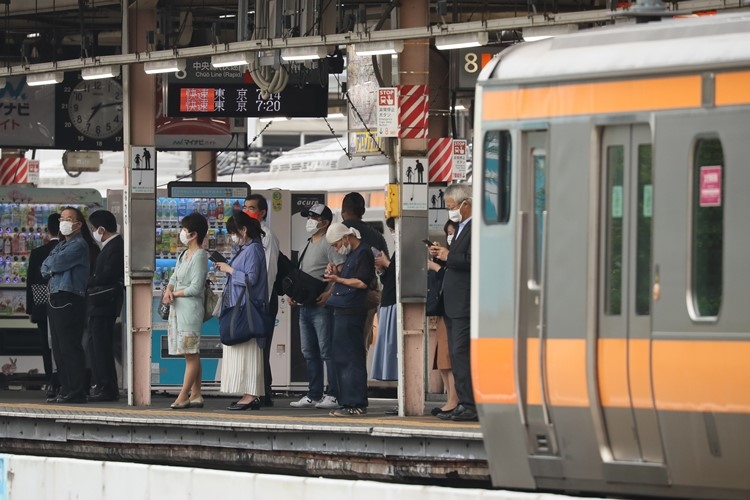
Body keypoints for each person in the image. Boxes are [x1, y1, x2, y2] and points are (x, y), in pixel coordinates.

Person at [428, 183, 476, 422]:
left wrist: (450, 256)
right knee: (457, 355)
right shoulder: (460, 228)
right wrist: (444, 256)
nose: (451, 211)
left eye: (452, 207)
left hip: (465, 301)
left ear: (465, 204)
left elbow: (476, 259)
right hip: (453, 301)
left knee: (461, 352)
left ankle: (470, 404)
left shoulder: (476, 227)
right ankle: (463, 402)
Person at [288, 203, 344, 410]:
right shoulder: (307, 243)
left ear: (326, 222)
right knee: (308, 351)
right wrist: (293, 294)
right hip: (305, 304)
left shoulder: (329, 244)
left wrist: (330, 293)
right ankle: (314, 393)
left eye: (314, 217)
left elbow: (341, 269)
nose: (309, 220)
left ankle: (334, 393)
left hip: (322, 305)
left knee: (326, 350)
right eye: (308, 216)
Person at [215, 211, 267, 411]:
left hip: (246, 307)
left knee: (248, 351)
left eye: (234, 232)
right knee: (244, 351)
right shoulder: (246, 248)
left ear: (244, 230)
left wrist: (230, 270)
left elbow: (251, 279)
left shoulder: (253, 250)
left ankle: (251, 394)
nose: (232, 237)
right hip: (241, 306)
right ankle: (248, 393)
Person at [41, 207, 93, 404]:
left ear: (78, 224)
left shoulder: (79, 245)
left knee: (69, 346)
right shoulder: (62, 244)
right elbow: (44, 266)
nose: (64, 222)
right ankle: (66, 387)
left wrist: (51, 266)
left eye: (69, 219)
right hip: (56, 297)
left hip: (69, 297)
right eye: (62, 218)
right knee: (59, 348)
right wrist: (51, 265)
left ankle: (76, 390)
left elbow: (54, 264)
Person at [323, 223, 375, 417]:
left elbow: (362, 282)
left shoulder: (363, 252)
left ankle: (356, 402)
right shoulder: (352, 254)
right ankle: (346, 401)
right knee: (341, 357)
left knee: (352, 357)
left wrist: (339, 280)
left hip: (353, 309)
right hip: (342, 308)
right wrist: (336, 273)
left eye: (337, 244)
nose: (337, 249)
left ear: (346, 237)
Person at [161, 213, 209, 409]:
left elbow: (196, 288)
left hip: (190, 311)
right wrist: (168, 290)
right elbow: (174, 277)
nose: (181, 233)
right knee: (191, 352)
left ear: (194, 234)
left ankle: (183, 396)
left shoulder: (200, 255)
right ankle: (196, 393)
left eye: (184, 230)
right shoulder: (183, 254)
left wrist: (176, 294)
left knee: (190, 353)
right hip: (178, 310)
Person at [243, 195, 279, 407]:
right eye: (245, 207)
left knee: (261, 346)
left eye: (252, 208)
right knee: (255, 347)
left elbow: (268, 271)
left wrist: (260, 300)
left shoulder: (267, 236)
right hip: (253, 298)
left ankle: (264, 392)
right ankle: (260, 390)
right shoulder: (250, 235)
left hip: (263, 298)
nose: (248, 211)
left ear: (262, 212)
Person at [341, 192, 387, 351]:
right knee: (362, 341)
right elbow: (384, 265)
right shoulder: (376, 235)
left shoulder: (338, 232)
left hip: (341, 295)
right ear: (363, 211)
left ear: (343, 211)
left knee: (342, 344)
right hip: (369, 293)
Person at [86, 210, 124, 402]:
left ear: (101, 229)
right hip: (100, 304)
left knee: (101, 346)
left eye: (94, 229)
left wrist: (90, 280)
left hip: (104, 303)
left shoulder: (115, 246)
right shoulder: (110, 246)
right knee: (95, 345)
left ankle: (107, 387)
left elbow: (108, 274)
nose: (93, 232)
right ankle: (102, 384)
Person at [26, 213, 61, 402]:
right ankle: (63, 380)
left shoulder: (38, 253)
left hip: (41, 305)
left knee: (46, 346)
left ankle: (51, 381)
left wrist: (30, 309)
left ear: (48, 230)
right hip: (63, 303)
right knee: (63, 344)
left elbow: (30, 282)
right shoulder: (68, 249)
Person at [427, 219, 459, 418]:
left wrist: (436, 267)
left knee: (449, 358)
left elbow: (451, 277)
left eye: (452, 232)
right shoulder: (449, 256)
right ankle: (451, 399)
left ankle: (454, 400)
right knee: (442, 359)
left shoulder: (459, 257)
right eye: (447, 232)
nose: (449, 236)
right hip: (443, 309)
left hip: (453, 311)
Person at [371, 217, 398, 415]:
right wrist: (383, 268)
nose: (393, 232)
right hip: (389, 302)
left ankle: (404, 400)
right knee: (392, 350)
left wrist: (386, 263)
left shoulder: (405, 249)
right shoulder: (398, 249)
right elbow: (391, 276)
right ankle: (401, 399)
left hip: (395, 304)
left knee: (395, 351)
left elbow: (402, 275)